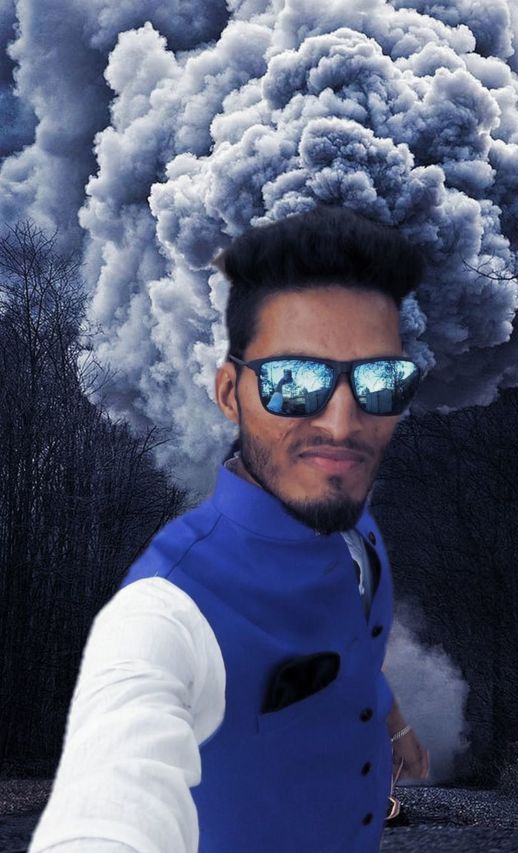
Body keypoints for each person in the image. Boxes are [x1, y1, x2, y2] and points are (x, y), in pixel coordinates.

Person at [28, 204, 430, 853]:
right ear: (228, 392)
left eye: (381, 380)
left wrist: (395, 726)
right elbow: (115, 788)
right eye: (293, 381)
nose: (341, 423)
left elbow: (349, 645)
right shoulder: (168, 610)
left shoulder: (356, 528)